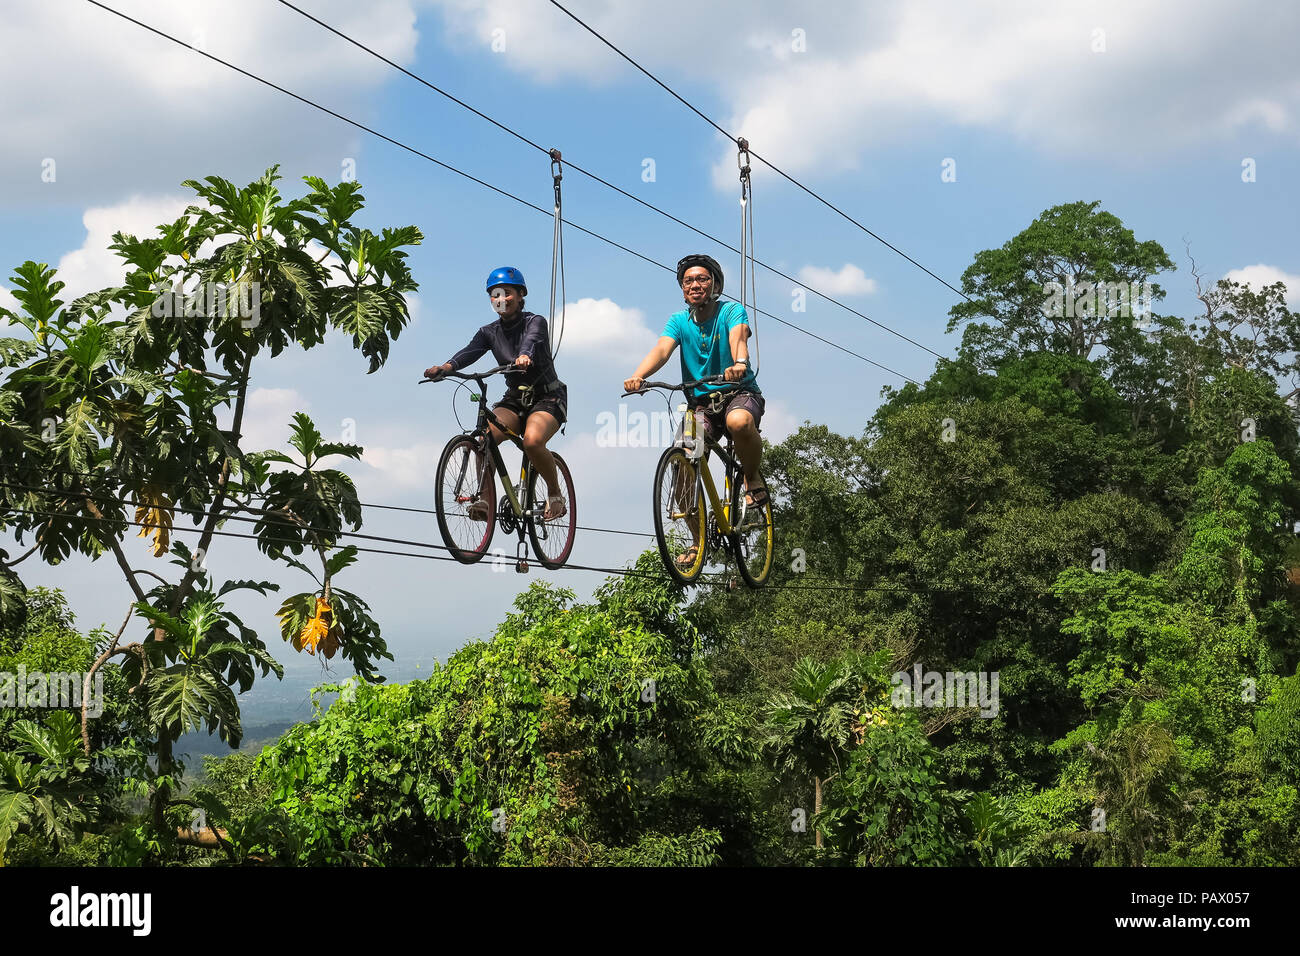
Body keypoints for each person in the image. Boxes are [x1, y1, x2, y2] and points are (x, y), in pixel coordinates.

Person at [623, 254, 766, 563]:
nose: (695, 285)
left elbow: (738, 338)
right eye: (688, 281)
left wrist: (739, 363)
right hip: (701, 404)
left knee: (739, 422)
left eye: (702, 279)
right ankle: (697, 542)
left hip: (738, 392)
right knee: (684, 460)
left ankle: (752, 476)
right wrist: (639, 375)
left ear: (715, 283)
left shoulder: (731, 311)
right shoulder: (679, 321)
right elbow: (662, 349)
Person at [425, 267, 568, 520]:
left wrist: (524, 356)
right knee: (485, 441)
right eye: (495, 295)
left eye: (508, 293)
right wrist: (445, 368)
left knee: (532, 442)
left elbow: (532, 341)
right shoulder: (488, 332)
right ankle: (485, 501)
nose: (502, 299)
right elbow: (470, 352)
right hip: (515, 399)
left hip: (548, 398)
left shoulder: (535, 322)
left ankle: (555, 493)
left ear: (521, 295)